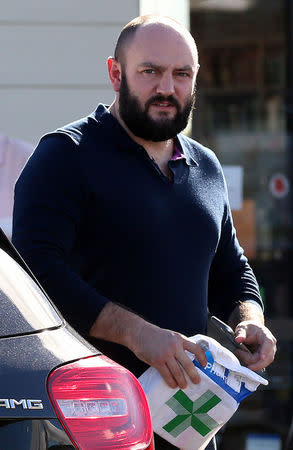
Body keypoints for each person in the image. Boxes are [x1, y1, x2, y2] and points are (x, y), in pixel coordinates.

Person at [12, 15, 276, 449]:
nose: (167, 88)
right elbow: (34, 274)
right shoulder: (65, 155)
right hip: (89, 425)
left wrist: (251, 321)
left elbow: (233, 269)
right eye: (150, 71)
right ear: (116, 74)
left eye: (181, 74)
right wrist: (138, 334)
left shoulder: (206, 167)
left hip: (190, 425)